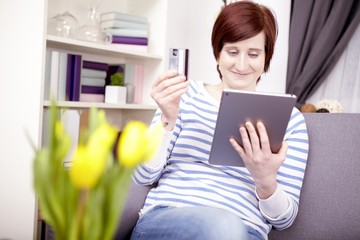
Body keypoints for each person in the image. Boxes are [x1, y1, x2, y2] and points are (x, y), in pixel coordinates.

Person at [130, 1, 309, 240]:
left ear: (266, 57)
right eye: (232, 52)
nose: (242, 65)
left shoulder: (290, 119)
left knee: (228, 228)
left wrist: (265, 180)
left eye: (254, 54)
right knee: (222, 226)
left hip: (245, 230)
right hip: (168, 218)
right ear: (218, 53)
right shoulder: (183, 95)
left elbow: (285, 220)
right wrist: (167, 121)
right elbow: (143, 176)